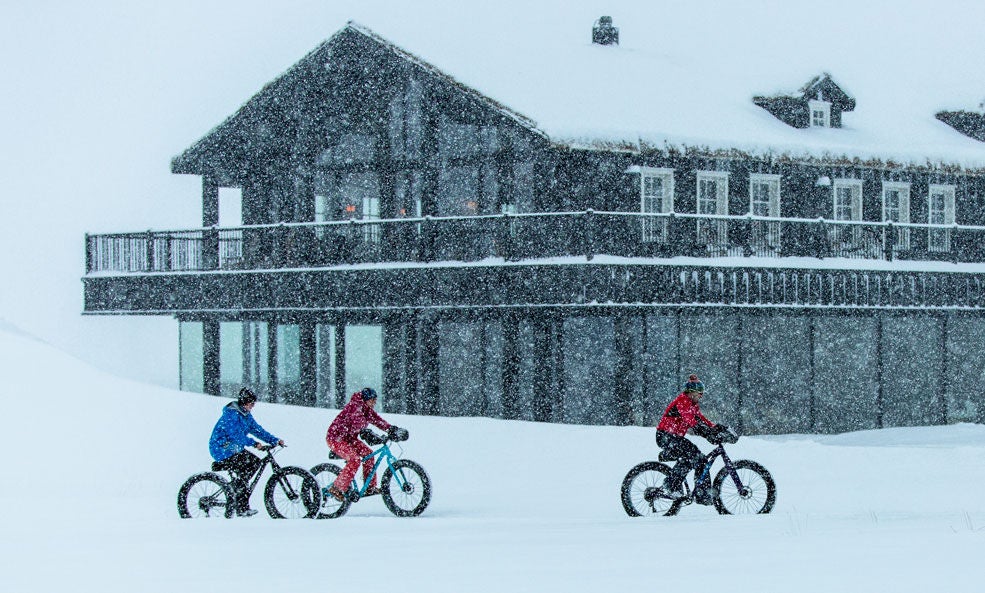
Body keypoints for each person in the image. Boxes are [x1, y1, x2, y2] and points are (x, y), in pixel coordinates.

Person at [208, 388, 284, 517]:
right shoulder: (231, 415)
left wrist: (274, 440)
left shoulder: (245, 415)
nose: (253, 406)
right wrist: (254, 444)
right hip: (221, 448)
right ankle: (240, 502)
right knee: (249, 464)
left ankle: (238, 493)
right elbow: (235, 435)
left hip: (234, 448)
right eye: (252, 404)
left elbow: (257, 430)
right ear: (245, 402)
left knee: (254, 463)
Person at [324, 387, 404, 501]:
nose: (374, 403)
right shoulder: (354, 407)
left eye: (375, 400)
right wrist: (368, 433)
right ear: (365, 399)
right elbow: (358, 423)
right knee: (354, 459)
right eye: (372, 400)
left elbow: (377, 420)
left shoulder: (366, 409)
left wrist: (391, 429)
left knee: (368, 455)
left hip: (349, 438)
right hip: (336, 439)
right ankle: (337, 488)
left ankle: (370, 487)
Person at [655, 374, 717, 501]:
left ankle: (702, 493)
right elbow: (689, 419)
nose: (701, 395)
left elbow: (700, 418)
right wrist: (704, 431)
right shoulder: (683, 400)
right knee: (692, 456)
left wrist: (715, 428)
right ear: (691, 392)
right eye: (700, 393)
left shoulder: (693, 405)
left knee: (700, 459)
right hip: (666, 436)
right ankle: (670, 486)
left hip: (675, 437)